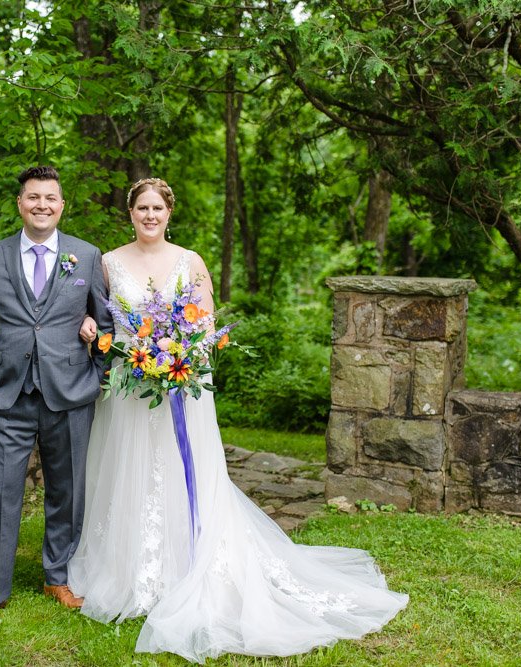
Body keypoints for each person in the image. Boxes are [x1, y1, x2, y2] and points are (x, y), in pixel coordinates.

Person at [68, 178, 408, 662]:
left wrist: (177, 355)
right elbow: (102, 321)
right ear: (130, 212)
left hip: (181, 384)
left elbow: (204, 323)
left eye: (157, 208)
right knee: (130, 472)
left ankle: (191, 564)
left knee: (186, 474)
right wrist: (103, 336)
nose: (149, 215)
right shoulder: (108, 262)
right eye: (141, 208)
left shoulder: (191, 261)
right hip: (129, 387)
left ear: (169, 213)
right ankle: (128, 571)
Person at [0, 166, 112, 621]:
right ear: (20, 204)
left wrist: (97, 374)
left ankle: (57, 577)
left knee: (67, 491)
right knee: (1, 493)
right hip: (5, 396)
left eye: (50, 198)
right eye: (33, 197)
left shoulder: (85, 257)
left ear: (62, 205)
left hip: (70, 393)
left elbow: (105, 324)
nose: (41, 205)